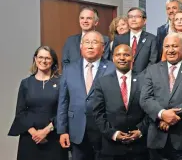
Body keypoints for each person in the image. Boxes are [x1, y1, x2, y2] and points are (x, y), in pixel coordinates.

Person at [139, 34, 182, 160]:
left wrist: (171, 116)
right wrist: (162, 114)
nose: (170, 50)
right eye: (167, 46)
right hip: (157, 138)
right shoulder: (152, 70)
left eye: (175, 46)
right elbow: (145, 98)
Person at [57, 31, 116, 160]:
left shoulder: (112, 68)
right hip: (77, 130)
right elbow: (63, 101)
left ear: (103, 47)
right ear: (81, 46)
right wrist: (62, 130)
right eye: (87, 42)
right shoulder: (69, 69)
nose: (90, 46)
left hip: (104, 131)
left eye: (94, 42)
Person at [89, 44, 148, 160]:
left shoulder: (144, 80)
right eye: (118, 55)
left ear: (133, 58)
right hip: (111, 147)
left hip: (139, 148)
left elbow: (149, 110)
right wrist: (113, 134)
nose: (122, 58)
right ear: (113, 58)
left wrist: (141, 131)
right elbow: (98, 113)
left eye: (126, 55)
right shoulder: (102, 82)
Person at [9, 46, 67, 160]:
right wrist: (35, 134)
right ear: (35, 59)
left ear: (53, 61)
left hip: (53, 137)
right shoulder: (26, 83)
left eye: (47, 58)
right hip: (30, 138)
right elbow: (20, 112)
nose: (43, 61)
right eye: (40, 57)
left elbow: (64, 110)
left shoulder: (61, 82)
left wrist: (46, 131)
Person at [112, 7, 159, 75]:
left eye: (137, 16)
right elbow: (114, 59)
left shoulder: (151, 39)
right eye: (130, 17)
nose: (133, 19)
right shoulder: (119, 39)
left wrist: (143, 77)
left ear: (144, 20)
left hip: (144, 79)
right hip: (123, 78)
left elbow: (153, 62)